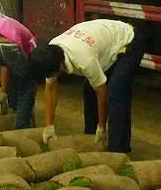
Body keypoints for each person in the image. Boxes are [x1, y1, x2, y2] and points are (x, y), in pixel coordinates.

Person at [28, 19, 146, 153]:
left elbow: (102, 93)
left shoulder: (83, 59)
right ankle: (90, 139)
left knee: (115, 93)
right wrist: (49, 125)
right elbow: (50, 88)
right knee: (89, 90)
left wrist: (102, 126)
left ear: (59, 67)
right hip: (103, 44)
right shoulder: (51, 53)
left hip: (128, 41)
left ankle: (118, 151)